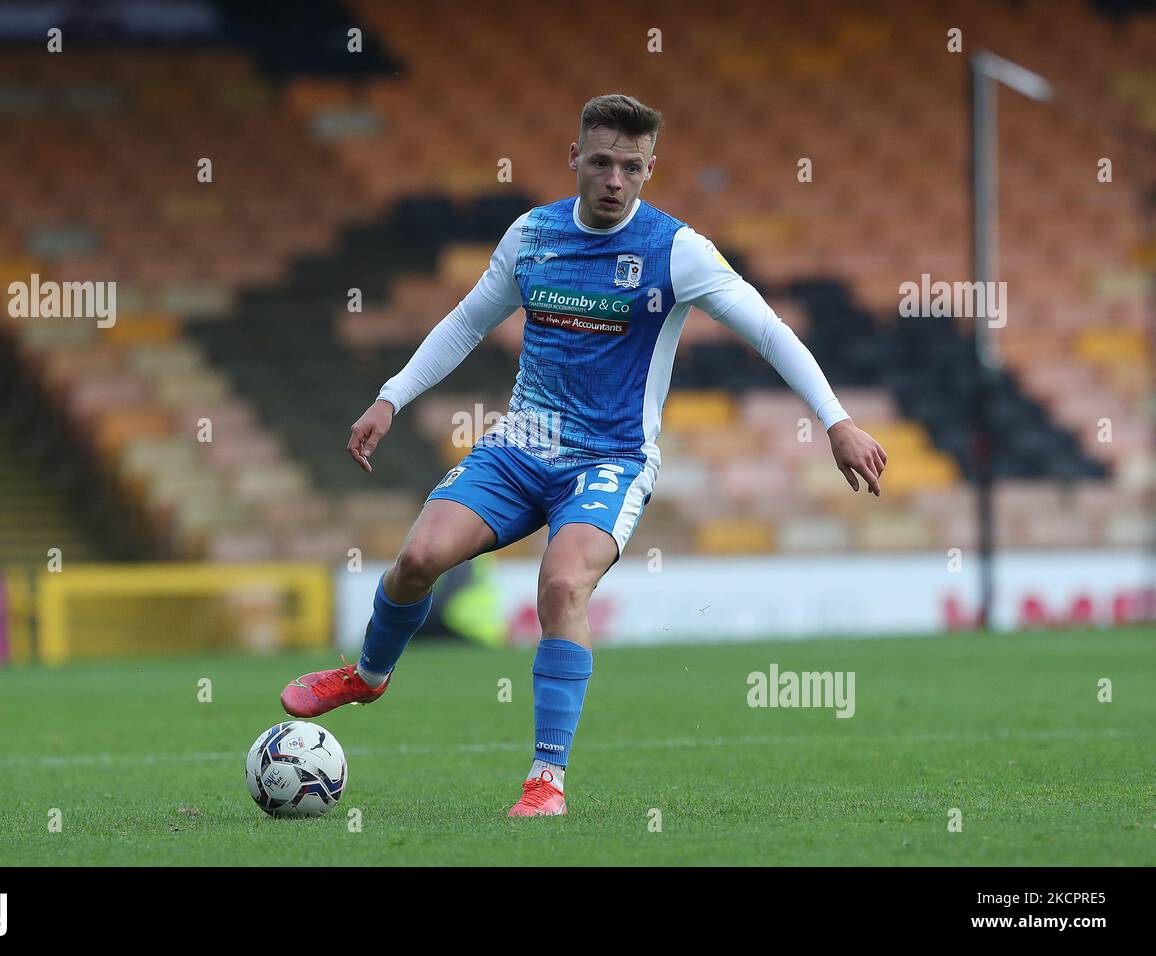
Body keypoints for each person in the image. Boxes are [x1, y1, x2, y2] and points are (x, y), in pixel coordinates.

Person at [281, 93, 887, 817]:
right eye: (601, 162)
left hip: (611, 459)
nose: (614, 180)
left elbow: (768, 330)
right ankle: (369, 675)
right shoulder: (533, 235)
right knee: (417, 560)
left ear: (649, 170)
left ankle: (546, 781)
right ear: (575, 158)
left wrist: (836, 420)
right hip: (519, 447)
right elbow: (467, 321)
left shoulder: (676, 251)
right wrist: (390, 397)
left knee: (563, 586)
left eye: (631, 167)